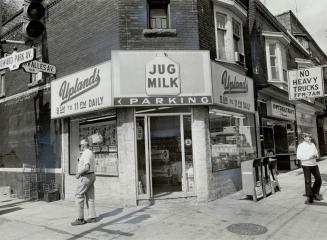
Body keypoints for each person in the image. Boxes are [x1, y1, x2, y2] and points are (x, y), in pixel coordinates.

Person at [71, 139, 97, 225]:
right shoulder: (90, 152)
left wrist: (78, 173)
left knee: (79, 195)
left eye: (80, 145)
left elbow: (86, 167)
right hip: (92, 175)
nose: (80, 147)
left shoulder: (86, 153)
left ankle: (80, 219)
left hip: (86, 176)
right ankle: (92, 217)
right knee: (90, 196)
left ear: (83, 145)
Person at [296, 133, 323, 204]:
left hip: (314, 164)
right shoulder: (300, 146)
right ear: (304, 138)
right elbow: (299, 156)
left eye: (310, 137)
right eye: (308, 137)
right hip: (306, 165)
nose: (310, 138)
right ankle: (310, 197)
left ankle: (315, 193)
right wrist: (308, 157)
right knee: (308, 181)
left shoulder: (312, 145)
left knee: (319, 179)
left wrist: (316, 156)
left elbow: (316, 153)